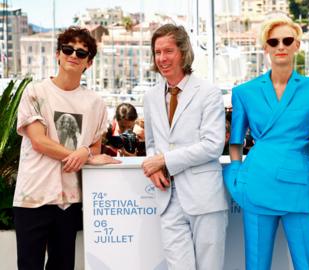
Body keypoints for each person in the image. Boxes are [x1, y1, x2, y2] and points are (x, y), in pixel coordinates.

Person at [224, 17, 309, 270]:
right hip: (256, 185)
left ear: (297, 45)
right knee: (256, 264)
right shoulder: (244, 92)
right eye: (274, 41)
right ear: (266, 47)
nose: (280, 46)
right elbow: (235, 142)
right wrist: (237, 177)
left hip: (300, 187)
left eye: (287, 40)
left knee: (307, 264)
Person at [14, 26, 120, 270]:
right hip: (33, 197)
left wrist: (88, 152)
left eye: (81, 53)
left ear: (88, 63)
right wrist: (83, 154)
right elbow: (39, 141)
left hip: (69, 200)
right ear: (58, 55)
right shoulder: (35, 92)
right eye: (68, 49)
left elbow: (94, 146)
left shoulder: (95, 103)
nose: (73, 55)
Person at [141, 24, 228, 270]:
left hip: (204, 197)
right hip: (167, 197)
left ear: (183, 52)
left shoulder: (208, 93)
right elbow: (151, 144)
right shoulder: (150, 97)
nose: (162, 58)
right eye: (157, 52)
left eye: (168, 51)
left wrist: (164, 160)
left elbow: (212, 145)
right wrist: (155, 167)